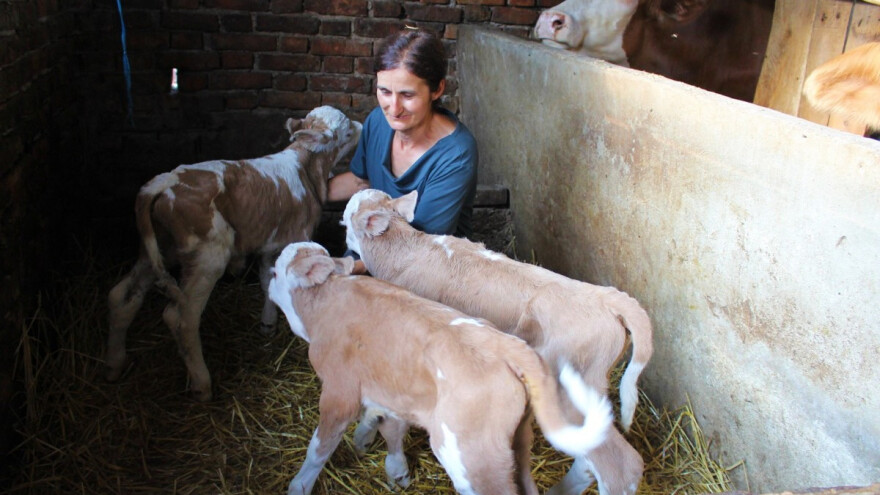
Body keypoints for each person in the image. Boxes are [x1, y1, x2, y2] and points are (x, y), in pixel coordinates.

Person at [328, 28, 479, 272]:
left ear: (437, 90)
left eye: (407, 95)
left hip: (428, 269)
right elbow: (360, 181)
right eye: (385, 91)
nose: (394, 108)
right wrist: (298, 194)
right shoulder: (378, 121)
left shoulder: (456, 154)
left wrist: (343, 269)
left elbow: (422, 248)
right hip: (370, 248)